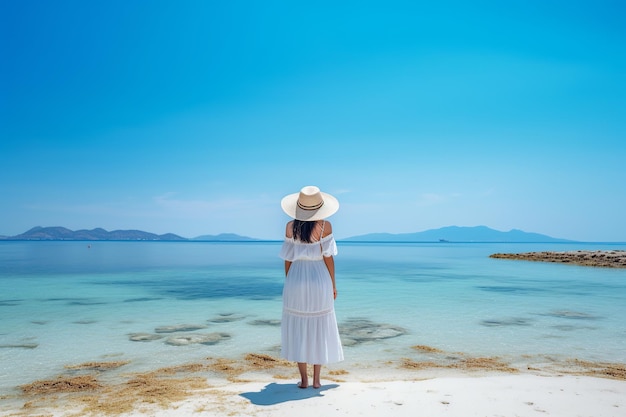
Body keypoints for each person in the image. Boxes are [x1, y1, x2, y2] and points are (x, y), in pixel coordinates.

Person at [279, 185, 344, 389]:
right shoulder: (326, 226)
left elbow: (288, 259)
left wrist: (290, 281)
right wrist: (332, 284)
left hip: (296, 277)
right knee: (319, 326)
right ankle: (317, 380)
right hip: (319, 278)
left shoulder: (290, 226)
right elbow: (329, 260)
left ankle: (304, 380)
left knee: (299, 327)